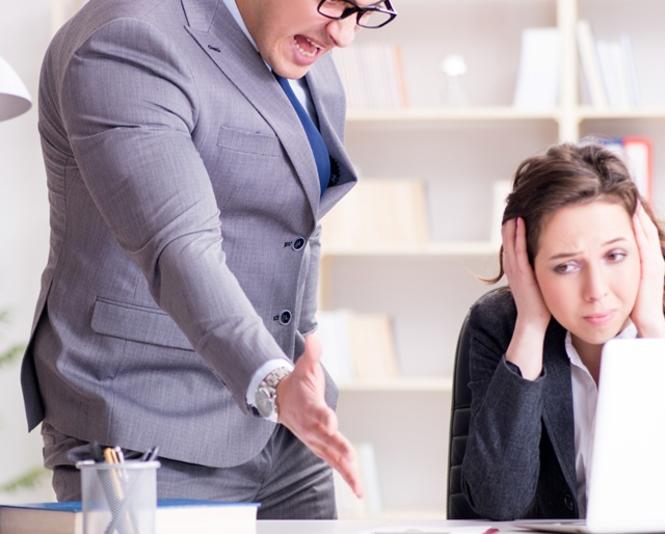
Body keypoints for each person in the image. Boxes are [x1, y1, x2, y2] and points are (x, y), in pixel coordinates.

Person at [20, 0, 396, 518]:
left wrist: (298, 375)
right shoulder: (128, 39)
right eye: (337, 2)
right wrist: (272, 381)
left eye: (367, 10)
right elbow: (178, 245)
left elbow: (296, 227)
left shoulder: (306, 51)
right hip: (147, 418)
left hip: (285, 428)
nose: (345, 35)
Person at [460, 142, 665, 521]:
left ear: (644, 248)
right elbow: (498, 502)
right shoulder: (501, 325)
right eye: (565, 266)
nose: (596, 290)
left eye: (615, 256)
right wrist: (530, 327)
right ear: (528, 269)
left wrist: (653, 332)